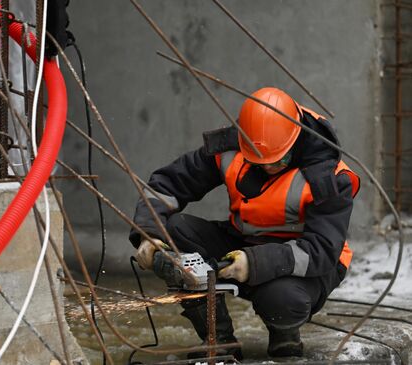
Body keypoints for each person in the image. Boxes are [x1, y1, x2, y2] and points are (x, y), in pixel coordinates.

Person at [129, 87, 360, 360]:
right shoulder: (233, 147)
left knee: (281, 299)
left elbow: (321, 250)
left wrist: (253, 263)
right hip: (243, 241)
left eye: (278, 161)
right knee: (176, 231)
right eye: (258, 162)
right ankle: (218, 340)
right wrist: (148, 235)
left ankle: (284, 337)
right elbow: (169, 184)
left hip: (305, 262)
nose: (268, 168)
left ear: (294, 142)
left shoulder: (330, 177)